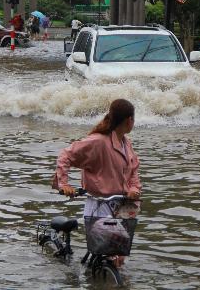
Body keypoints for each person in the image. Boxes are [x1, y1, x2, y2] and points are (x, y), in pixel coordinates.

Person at [52, 98, 141, 267]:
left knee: (119, 257)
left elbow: (133, 170)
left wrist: (134, 188)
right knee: (110, 255)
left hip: (121, 206)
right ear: (130, 120)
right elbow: (66, 155)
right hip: (99, 206)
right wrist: (64, 184)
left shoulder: (125, 142)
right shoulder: (99, 141)